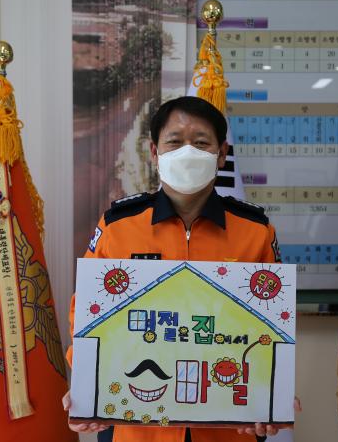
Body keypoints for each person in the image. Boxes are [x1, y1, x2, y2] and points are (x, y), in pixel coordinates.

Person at [63, 96, 300, 442]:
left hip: (228, 426)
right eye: (174, 142)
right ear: (154, 152)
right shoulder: (118, 227)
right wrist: (89, 382)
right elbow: (85, 312)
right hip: (137, 425)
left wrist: (271, 394)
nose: (188, 152)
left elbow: (272, 324)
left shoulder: (255, 231)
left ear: (221, 154)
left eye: (201, 143)